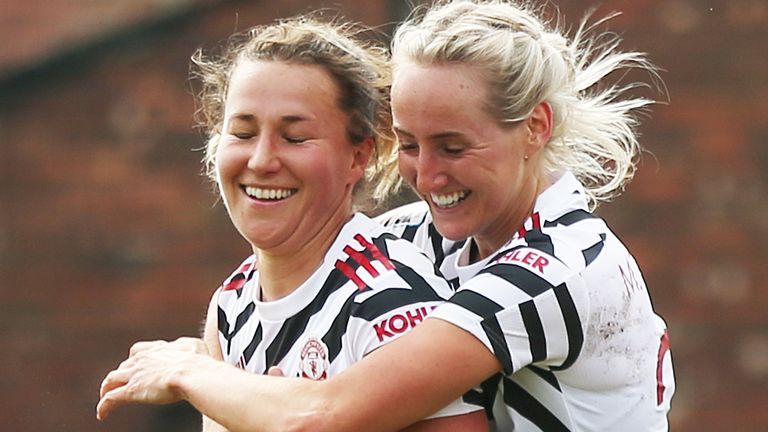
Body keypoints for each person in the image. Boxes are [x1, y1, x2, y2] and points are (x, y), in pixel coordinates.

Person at [97, 1, 675, 431]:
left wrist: (192, 376)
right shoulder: (423, 237)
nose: (425, 176)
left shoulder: (554, 269)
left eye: (452, 147)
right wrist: (212, 352)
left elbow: (328, 412)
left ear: (535, 127)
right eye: (409, 143)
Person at [97, 14, 487, 432]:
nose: (262, 161)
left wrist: (191, 374)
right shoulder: (232, 303)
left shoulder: (391, 301)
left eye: (295, 138)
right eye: (243, 133)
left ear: (357, 157)